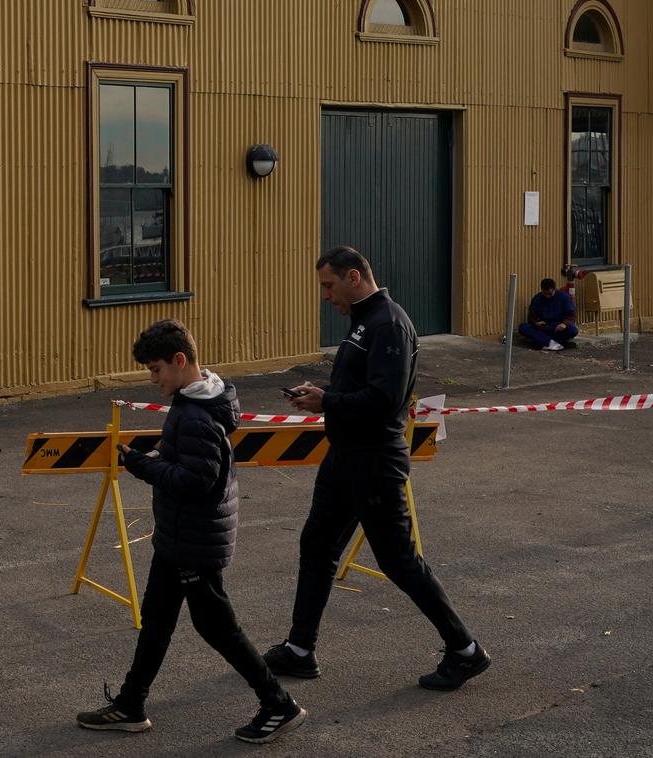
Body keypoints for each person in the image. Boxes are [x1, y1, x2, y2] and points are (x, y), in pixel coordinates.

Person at [264, 246, 491, 691]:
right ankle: (299, 649)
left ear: (354, 277)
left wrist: (327, 401)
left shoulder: (388, 323)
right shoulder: (363, 323)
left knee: (399, 561)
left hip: (373, 462)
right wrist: (324, 392)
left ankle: (465, 650)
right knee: (317, 547)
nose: (325, 296)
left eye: (329, 286)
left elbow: (385, 400)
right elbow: (360, 387)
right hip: (345, 458)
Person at [76, 318, 306, 744]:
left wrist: (145, 466)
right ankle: (130, 704)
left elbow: (198, 481)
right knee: (157, 621)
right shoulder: (201, 400)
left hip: (194, 542)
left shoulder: (195, 414)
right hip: (179, 537)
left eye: (156, 369)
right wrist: (159, 455)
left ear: (180, 361)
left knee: (218, 628)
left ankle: (278, 704)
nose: (153, 378)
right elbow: (189, 464)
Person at [518, 278, 578, 351]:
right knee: (523, 327)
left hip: (558, 327)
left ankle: (545, 342)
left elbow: (572, 314)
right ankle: (555, 343)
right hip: (544, 327)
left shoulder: (564, 297)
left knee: (573, 330)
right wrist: (536, 322)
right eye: (545, 294)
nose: (547, 296)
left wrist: (564, 324)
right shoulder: (537, 298)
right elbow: (532, 315)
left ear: (554, 289)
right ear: (542, 290)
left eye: (550, 294)